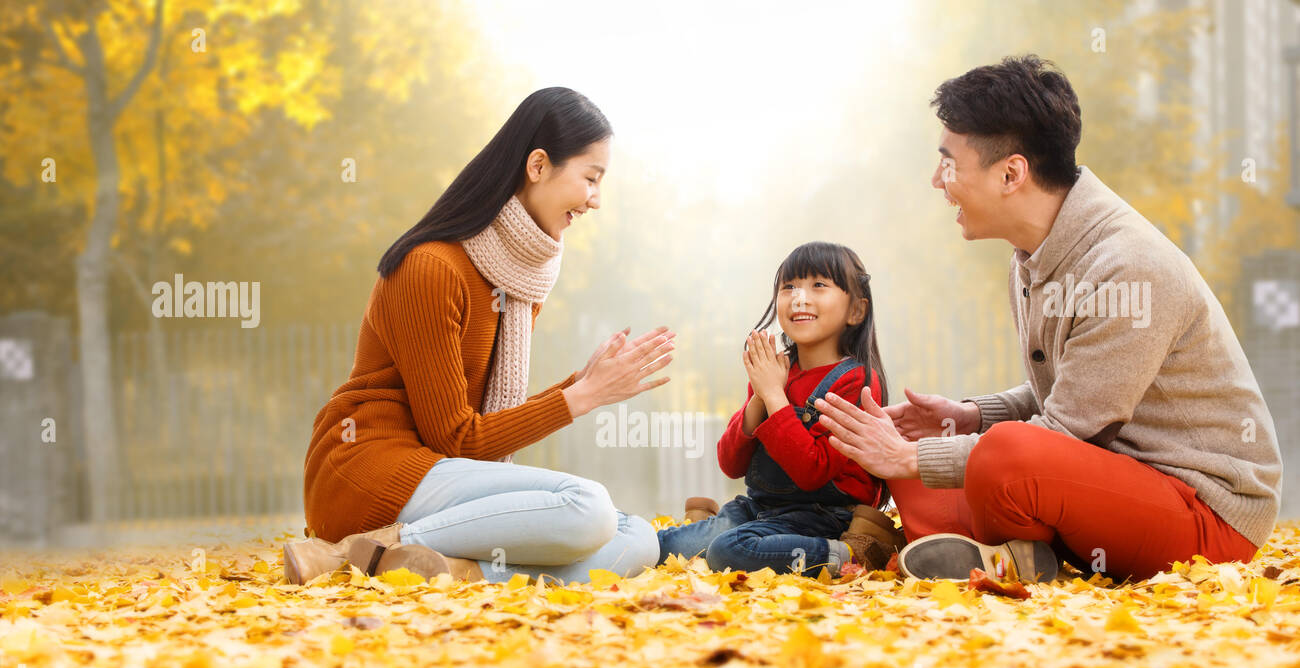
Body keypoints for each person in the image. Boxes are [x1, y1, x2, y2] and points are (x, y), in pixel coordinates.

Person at [815, 55, 1282, 583]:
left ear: (1011, 173)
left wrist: (918, 455)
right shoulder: (1036, 255)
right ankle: (1010, 555)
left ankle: (1007, 550)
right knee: (927, 458)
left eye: (948, 163)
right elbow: (1076, 391)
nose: (935, 180)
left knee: (994, 457)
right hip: (1116, 479)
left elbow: (1067, 434)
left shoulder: (1126, 268)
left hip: (1206, 514)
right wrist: (970, 415)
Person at [285, 88, 672, 585]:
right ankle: (351, 553)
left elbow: (476, 431)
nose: (596, 199)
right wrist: (581, 396)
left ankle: (463, 570)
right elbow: (456, 436)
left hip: (437, 472)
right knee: (587, 506)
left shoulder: (518, 279)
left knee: (637, 536)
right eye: (591, 178)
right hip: (368, 472)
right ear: (537, 166)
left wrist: (585, 384)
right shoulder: (430, 267)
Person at [657, 241, 904, 577]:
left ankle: (851, 554)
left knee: (730, 550)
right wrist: (761, 394)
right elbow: (731, 464)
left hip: (826, 516)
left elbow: (812, 472)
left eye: (818, 285)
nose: (799, 297)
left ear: (856, 311)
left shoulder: (856, 381)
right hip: (760, 509)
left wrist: (775, 395)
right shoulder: (775, 369)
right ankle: (712, 529)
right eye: (789, 286)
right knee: (662, 547)